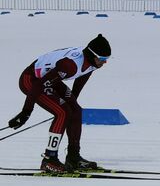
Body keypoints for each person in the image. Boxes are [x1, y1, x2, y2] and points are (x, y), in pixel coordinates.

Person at [8, 35, 112, 173]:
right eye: (102, 59)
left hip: (50, 78)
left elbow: (81, 80)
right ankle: (49, 159)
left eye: (107, 59)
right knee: (62, 112)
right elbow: (39, 86)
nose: (104, 62)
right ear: (92, 55)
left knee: (75, 110)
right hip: (32, 80)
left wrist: (72, 102)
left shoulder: (93, 63)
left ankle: (73, 157)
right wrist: (26, 112)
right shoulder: (70, 65)